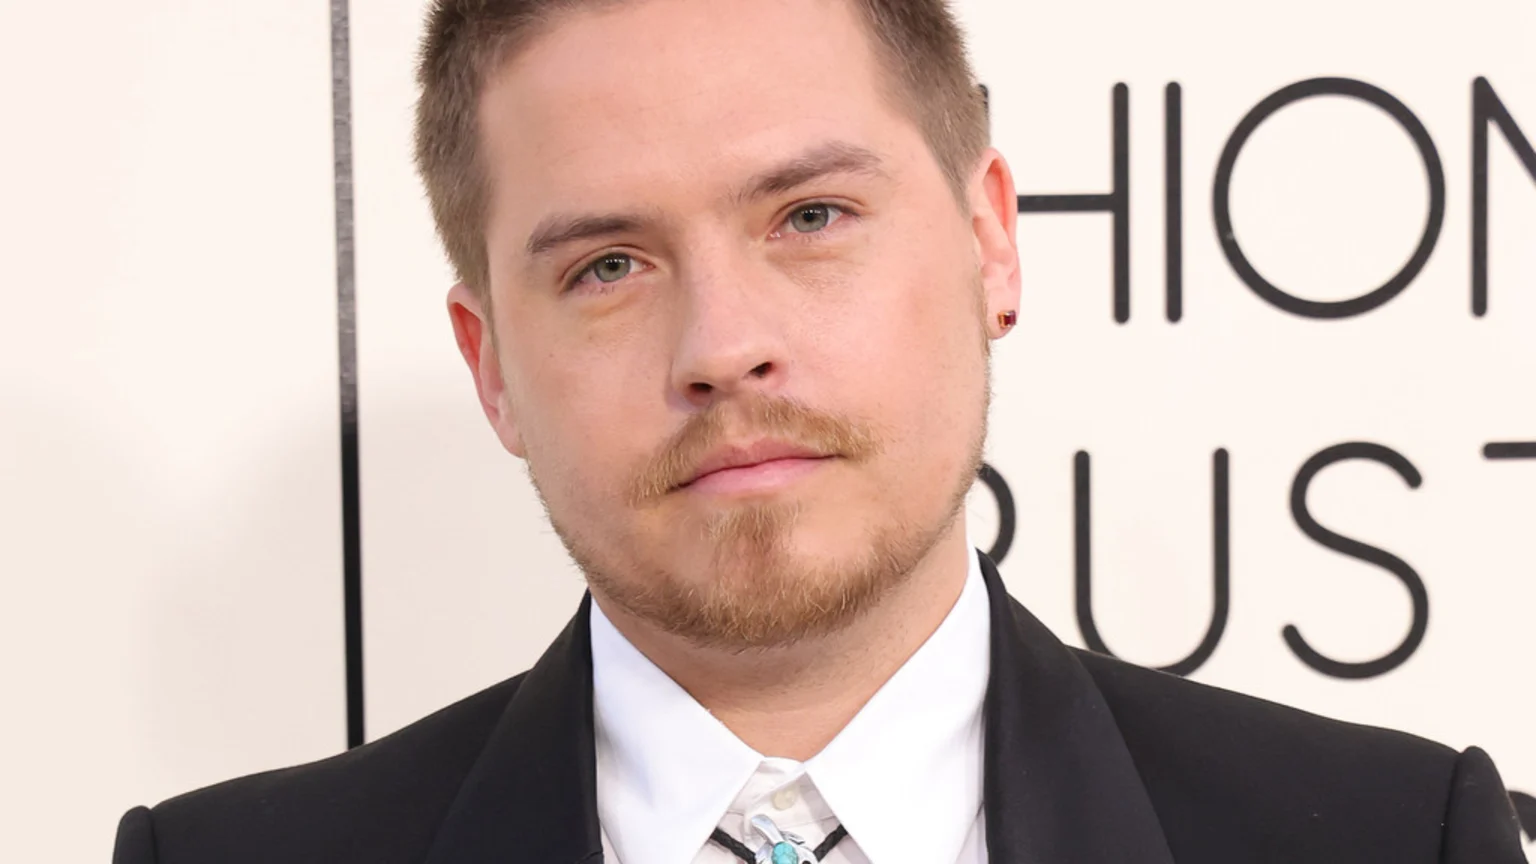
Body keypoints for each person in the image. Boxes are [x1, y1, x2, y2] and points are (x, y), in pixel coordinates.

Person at [113, 0, 1529, 861]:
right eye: (608, 265)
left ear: (989, 244)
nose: (723, 346)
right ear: (491, 369)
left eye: (810, 216)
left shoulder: (1393, 840)